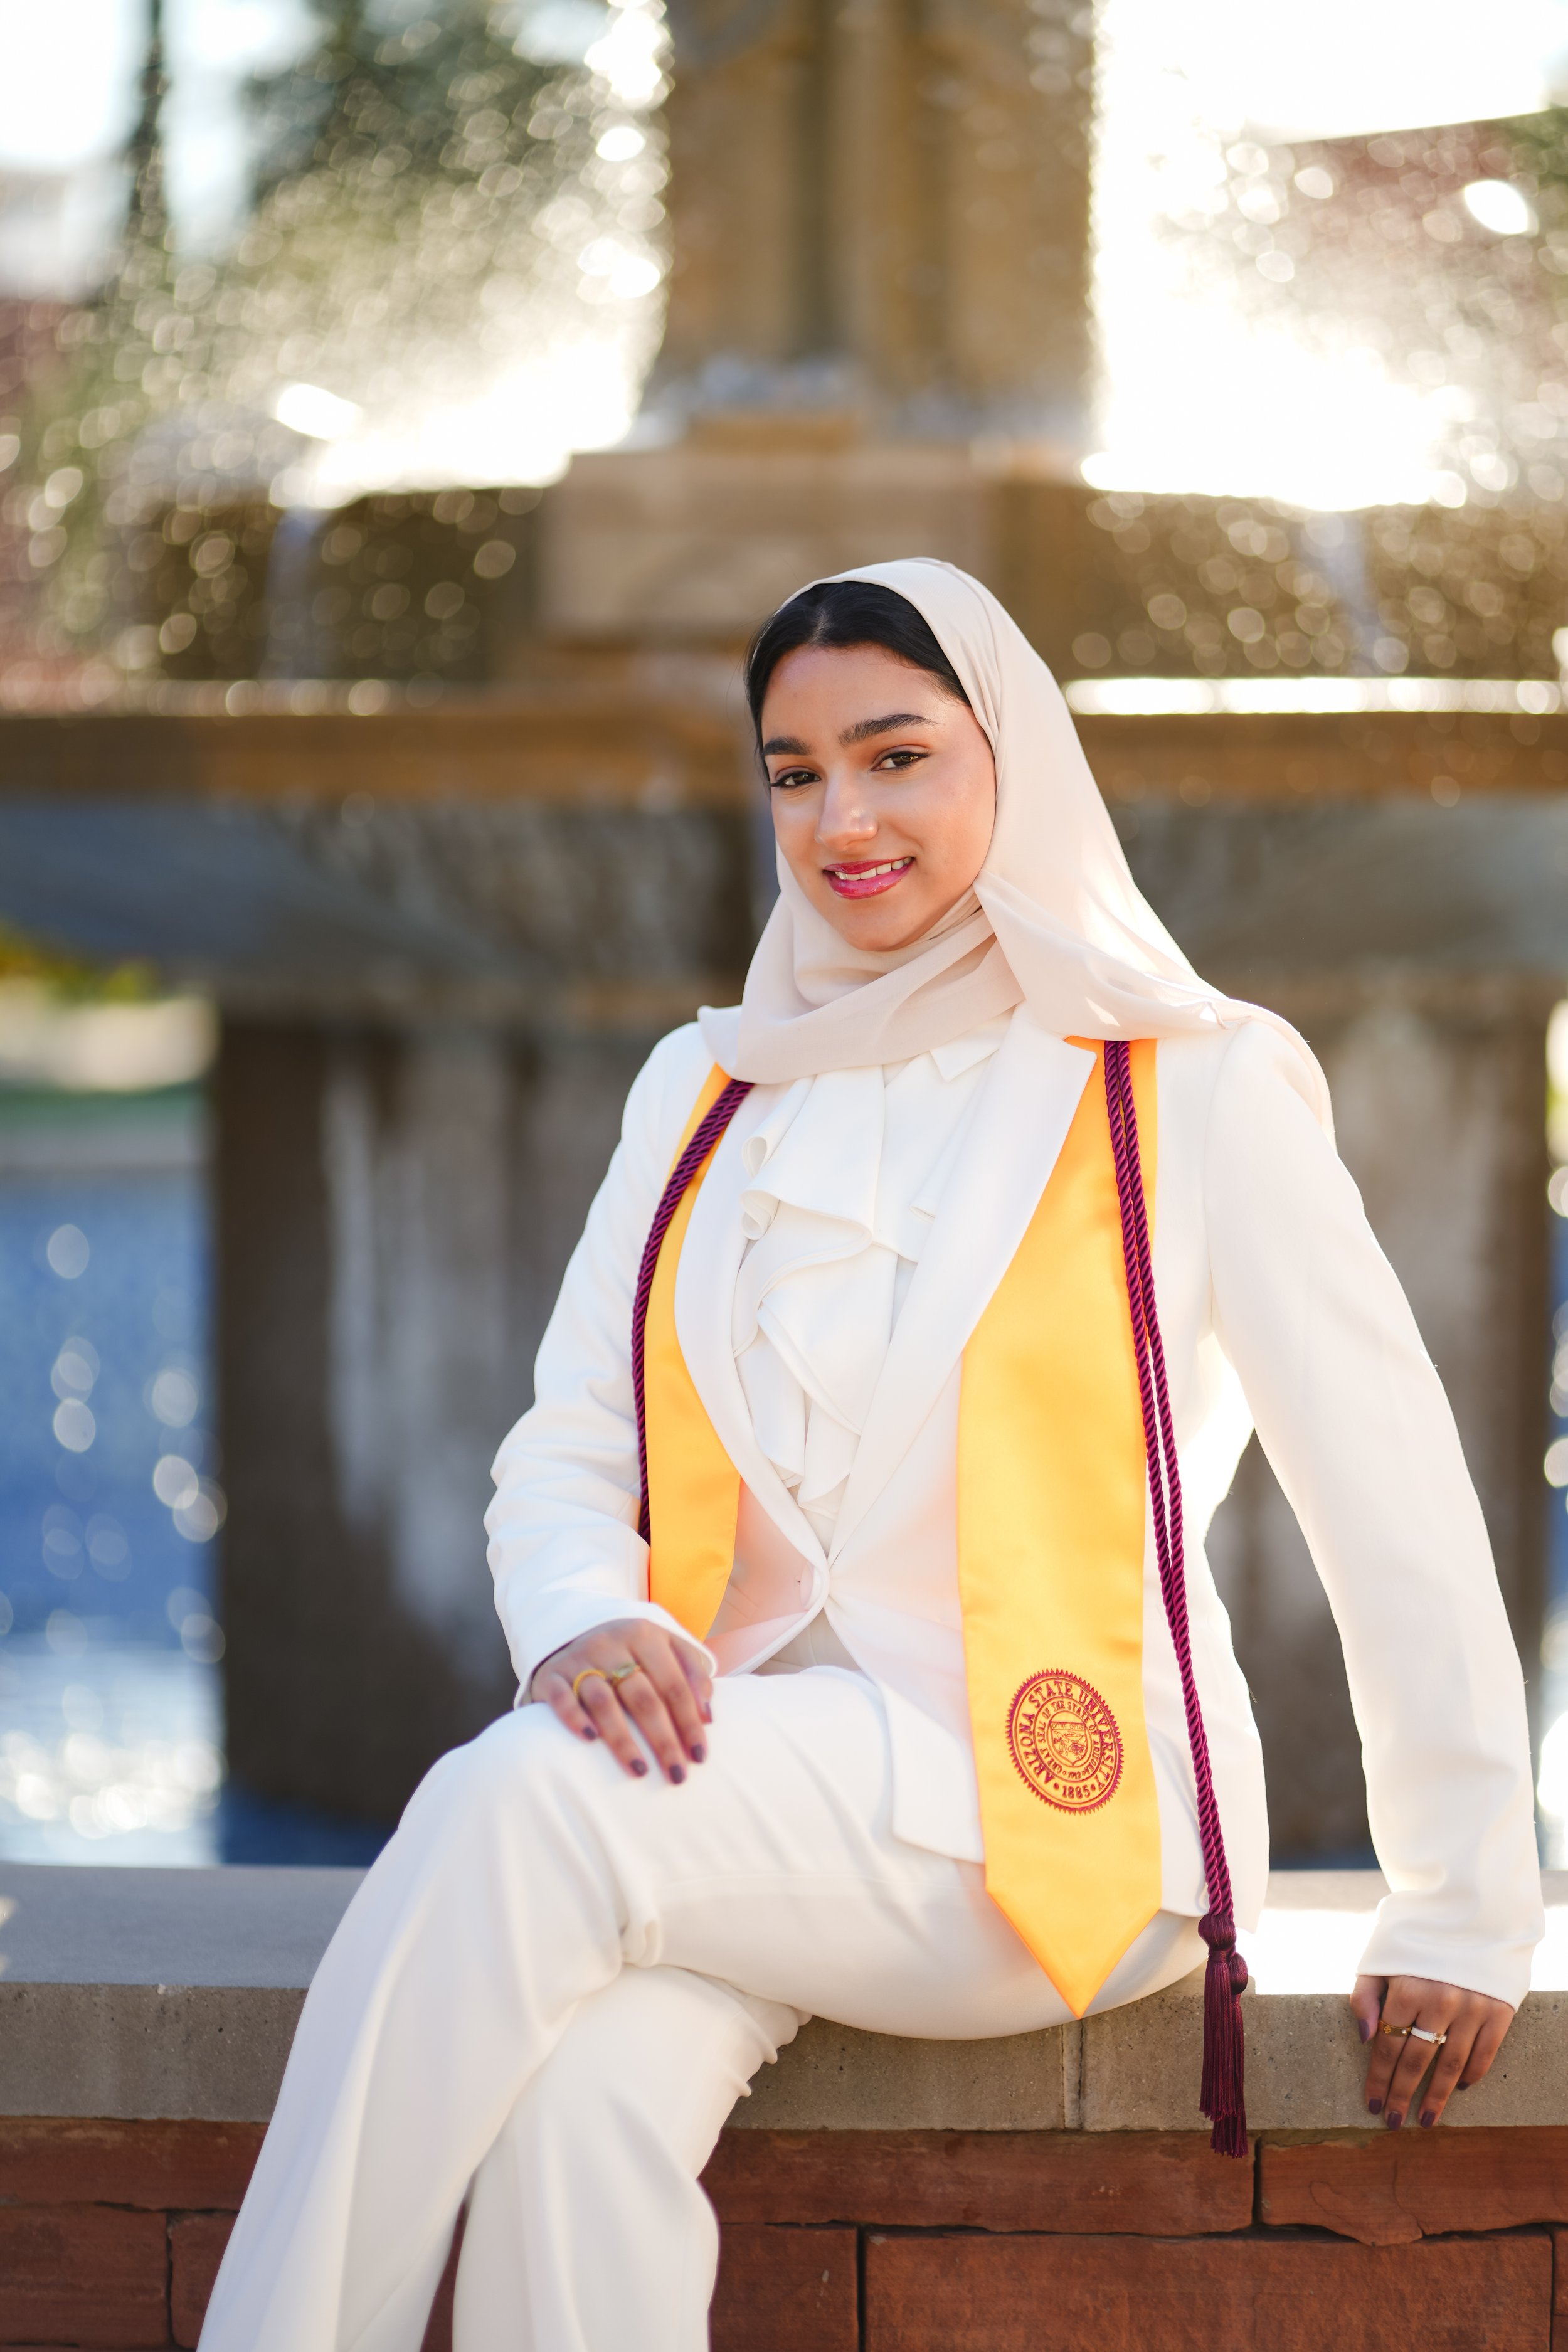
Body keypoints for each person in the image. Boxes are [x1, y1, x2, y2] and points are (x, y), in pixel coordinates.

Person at [200, 559, 1542, 2352]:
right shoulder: (708, 1088)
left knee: (518, 1797)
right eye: (793, 770)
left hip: (1056, 1823)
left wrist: (1462, 1900)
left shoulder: (1190, 1083)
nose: (842, 817)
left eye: (897, 755)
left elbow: (1391, 1500)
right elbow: (567, 1444)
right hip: (757, 1782)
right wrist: (581, 1618)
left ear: (1015, 756)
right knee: (572, 2114)